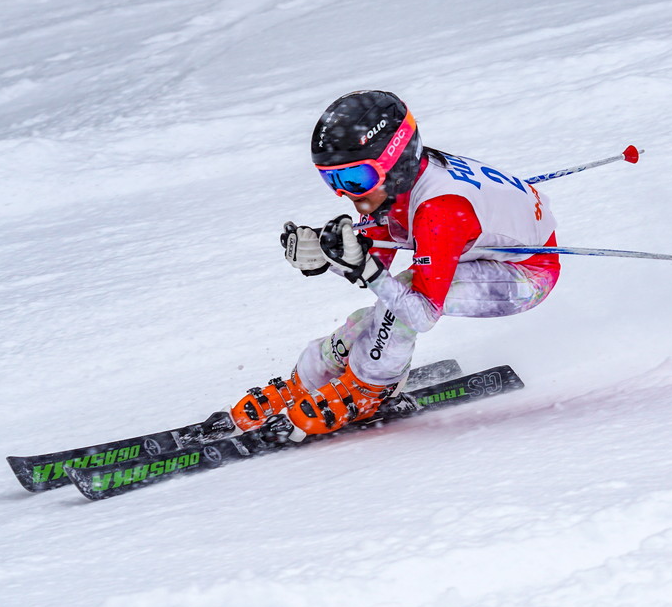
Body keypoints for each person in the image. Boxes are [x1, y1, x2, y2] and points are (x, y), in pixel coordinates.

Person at [225, 90, 560, 440]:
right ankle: (309, 379)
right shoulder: (392, 188)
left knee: (401, 300)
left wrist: (365, 269)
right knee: (373, 311)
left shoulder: (437, 211)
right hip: (481, 246)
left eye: (356, 179)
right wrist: (327, 257)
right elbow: (373, 261)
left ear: (396, 161)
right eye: (332, 180)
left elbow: (421, 314)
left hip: (527, 276)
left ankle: (370, 389)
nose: (348, 194)